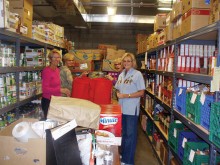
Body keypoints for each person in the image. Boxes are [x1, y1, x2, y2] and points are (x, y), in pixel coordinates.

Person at [115, 53, 145, 165]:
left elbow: (141, 92)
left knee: (130, 135)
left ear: (133, 62)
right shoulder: (122, 74)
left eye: (129, 61)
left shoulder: (137, 75)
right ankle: (123, 155)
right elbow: (118, 87)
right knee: (123, 134)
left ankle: (128, 161)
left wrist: (126, 96)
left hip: (131, 109)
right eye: (125, 61)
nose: (126, 63)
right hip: (121, 108)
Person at [41, 49, 71, 120]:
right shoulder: (47, 71)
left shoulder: (57, 70)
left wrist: (65, 90)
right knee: (49, 124)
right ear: (50, 59)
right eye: (54, 57)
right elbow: (45, 89)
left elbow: (57, 85)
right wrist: (60, 90)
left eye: (58, 57)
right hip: (48, 101)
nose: (57, 59)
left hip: (56, 100)